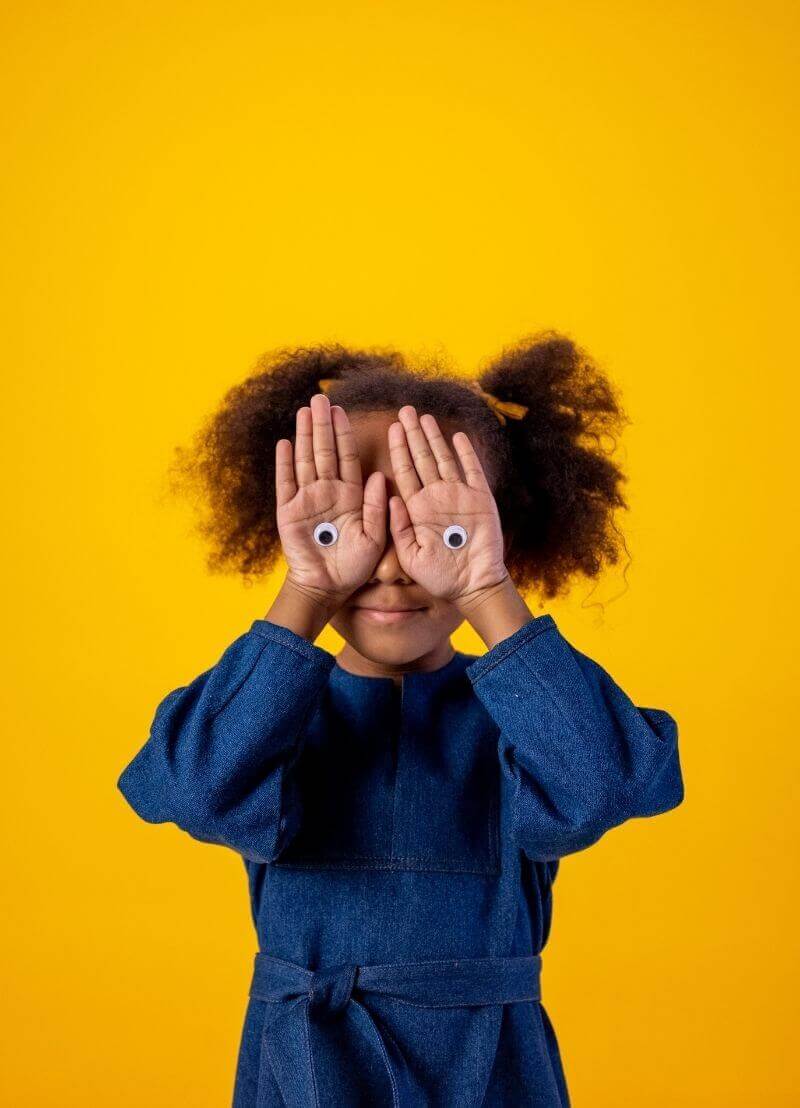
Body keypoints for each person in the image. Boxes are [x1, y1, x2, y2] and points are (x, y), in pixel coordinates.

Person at [117, 332, 684, 1107]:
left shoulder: (522, 715)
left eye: (434, 524)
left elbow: (608, 781)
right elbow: (193, 791)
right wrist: (308, 587)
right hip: (306, 1067)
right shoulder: (276, 711)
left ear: (503, 528)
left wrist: (484, 585)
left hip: (489, 1072)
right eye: (351, 520)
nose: (388, 562)